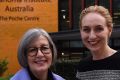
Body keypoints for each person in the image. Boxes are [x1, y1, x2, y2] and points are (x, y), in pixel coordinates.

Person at [76, 5, 120, 80]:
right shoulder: (82, 66)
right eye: (86, 29)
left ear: (110, 30)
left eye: (99, 29)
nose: (92, 36)